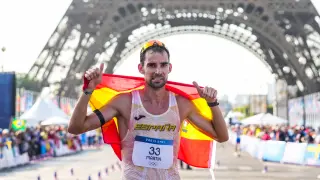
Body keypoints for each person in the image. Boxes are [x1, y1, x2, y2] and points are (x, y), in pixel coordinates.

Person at [68, 40, 229, 180]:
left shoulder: (181, 104)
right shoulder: (125, 102)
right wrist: (88, 90)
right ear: (141, 68)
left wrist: (212, 104)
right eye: (151, 65)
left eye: (163, 65)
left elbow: (221, 136)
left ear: (170, 68)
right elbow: (76, 127)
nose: (158, 70)